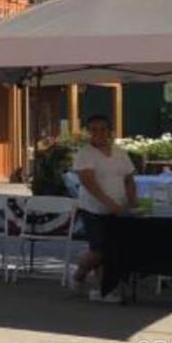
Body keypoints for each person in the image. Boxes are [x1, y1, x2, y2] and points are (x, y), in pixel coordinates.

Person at [70, 114, 137, 302]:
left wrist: (133, 203)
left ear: (110, 132)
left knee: (113, 250)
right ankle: (79, 274)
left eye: (102, 129)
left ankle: (104, 289)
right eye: (94, 130)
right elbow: (89, 183)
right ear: (88, 132)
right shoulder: (85, 154)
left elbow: (129, 180)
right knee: (98, 250)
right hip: (93, 209)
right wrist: (110, 204)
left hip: (119, 209)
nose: (98, 133)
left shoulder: (120, 153)